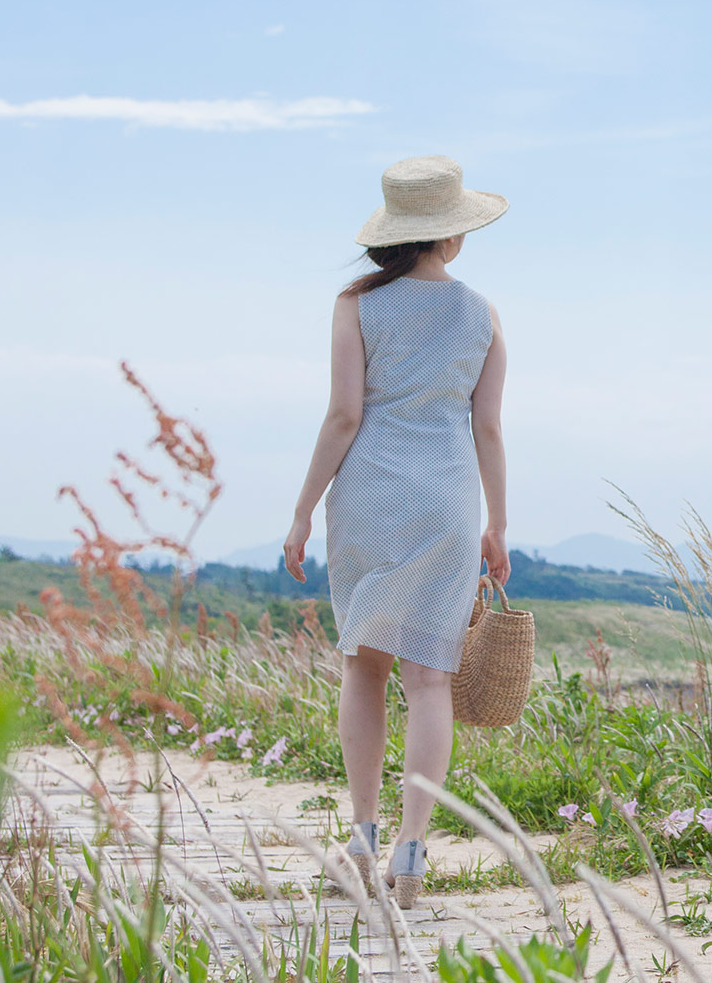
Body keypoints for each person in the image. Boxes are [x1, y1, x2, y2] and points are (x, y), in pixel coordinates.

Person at [283, 155, 512, 908]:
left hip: (371, 499)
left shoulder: (355, 303)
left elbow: (344, 415)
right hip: (449, 505)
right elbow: (487, 428)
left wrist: (302, 509)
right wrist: (498, 524)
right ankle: (412, 852)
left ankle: (362, 834)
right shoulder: (482, 315)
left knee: (364, 666)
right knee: (429, 678)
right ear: (449, 235)